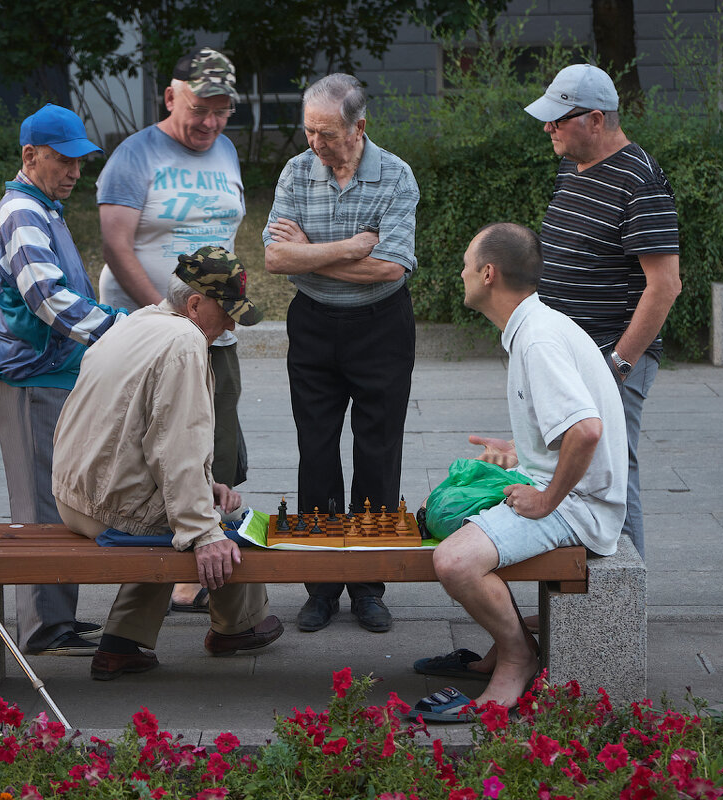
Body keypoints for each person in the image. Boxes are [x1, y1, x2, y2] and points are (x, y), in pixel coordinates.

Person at [411, 223, 627, 721]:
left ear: (488, 274)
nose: (460, 272)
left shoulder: (537, 342)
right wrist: (519, 451)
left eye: (467, 263)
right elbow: (569, 427)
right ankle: (506, 645)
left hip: (580, 508)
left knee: (454, 561)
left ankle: (517, 656)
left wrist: (546, 497)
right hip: (572, 492)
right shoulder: (536, 326)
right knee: (444, 509)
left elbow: (587, 431)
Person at [52, 247, 283, 681]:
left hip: (73, 496)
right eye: (227, 312)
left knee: (186, 509)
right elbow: (177, 444)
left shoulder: (136, 322)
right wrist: (204, 530)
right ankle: (237, 628)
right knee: (227, 525)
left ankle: (123, 645)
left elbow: (145, 440)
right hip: (109, 506)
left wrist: (203, 484)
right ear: (194, 304)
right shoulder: (185, 341)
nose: (232, 325)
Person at [263, 73, 419, 634]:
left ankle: (370, 586)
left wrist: (312, 253)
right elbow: (276, 259)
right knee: (317, 449)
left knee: (378, 452)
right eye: (308, 131)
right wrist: (351, 247)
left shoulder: (396, 176)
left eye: (326, 133)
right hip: (313, 326)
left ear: (359, 127)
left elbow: (391, 267)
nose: (314, 144)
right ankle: (322, 585)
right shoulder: (296, 171)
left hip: (381, 325)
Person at [97, 47, 247, 614]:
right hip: (154, 334)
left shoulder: (227, 151)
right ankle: (169, 578)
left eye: (222, 110)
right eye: (199, 108)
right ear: (170, 96)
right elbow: (116, 244)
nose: (210, 122)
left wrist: (218, 316)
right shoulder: (134, 156)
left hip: (214, 333)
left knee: (218, 454)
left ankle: (203, 571)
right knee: (159, 451)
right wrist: (170, 321)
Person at [0, 103, 126, 658]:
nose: (74, 172)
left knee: (60, 497)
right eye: (63, 160)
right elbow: (48, 300)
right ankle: (44, 629)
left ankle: (57, 621)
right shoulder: (22, 212)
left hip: (51, 376)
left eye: (80, 163)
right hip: (31, 382)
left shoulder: (45, 209)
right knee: (40, 508)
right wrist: (123, 328)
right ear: (30, 155)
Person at [523, 64, 681, 560]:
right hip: (569, 354)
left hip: (611, 356)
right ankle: (578, 605)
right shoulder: (573, 167)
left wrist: (617, 365)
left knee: (613, 474)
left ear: (595, 119)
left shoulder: (640, 181)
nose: (548, 128)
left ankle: (620, 602)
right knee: (568, 472)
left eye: (558, 119)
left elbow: (665, 285)